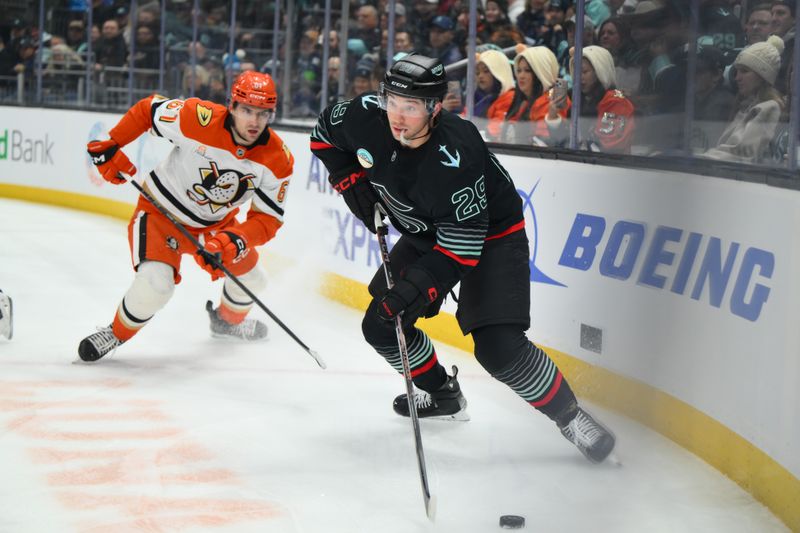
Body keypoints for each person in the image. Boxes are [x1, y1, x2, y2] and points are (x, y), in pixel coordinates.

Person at [309, 53, 616, 463]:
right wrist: (348, 180)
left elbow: (460, 247)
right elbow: (323, 134)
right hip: (427, 230)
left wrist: (416, 289)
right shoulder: (366, 114)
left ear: (435, 108)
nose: (397, 118)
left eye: (411, 107)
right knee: (382, 326)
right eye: (392, 103)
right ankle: (444, 395)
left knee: (497, 348)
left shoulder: (457, 151)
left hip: (490, 236)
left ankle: (569, 415)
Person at [78, 71, 294, 362]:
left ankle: (226, 324)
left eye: (263, 114)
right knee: (156, 285)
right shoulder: (197, 117)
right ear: (232, 106)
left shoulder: (279, 158)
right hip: (161, 213)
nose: (254, 122)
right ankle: (115, 332)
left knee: (255, 280)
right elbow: (148, 111)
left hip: (217, 227)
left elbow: (268, 219)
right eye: (246, 111)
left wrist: (234, 239)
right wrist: (113, 143)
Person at [702, 36, 784, 164]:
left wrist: (700, 159)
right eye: (737, 71)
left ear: (762, 76)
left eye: (744, 71)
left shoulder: (769, 107)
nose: (737, 78)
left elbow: (742, 155)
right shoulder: (745, 106)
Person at [550, 45, 635, 153]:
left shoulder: (617, 102)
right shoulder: (577, 100)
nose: (579, 77)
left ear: (600, 72)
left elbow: (609, 147)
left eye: (584, 72)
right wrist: (553, 118)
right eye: (576, 72)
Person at [491, 45, 570, 144]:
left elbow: (545, 144)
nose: (521, 76)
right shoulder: (523, 103)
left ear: (542, 72)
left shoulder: (552, 102)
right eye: (519, 71)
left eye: (527, 70)